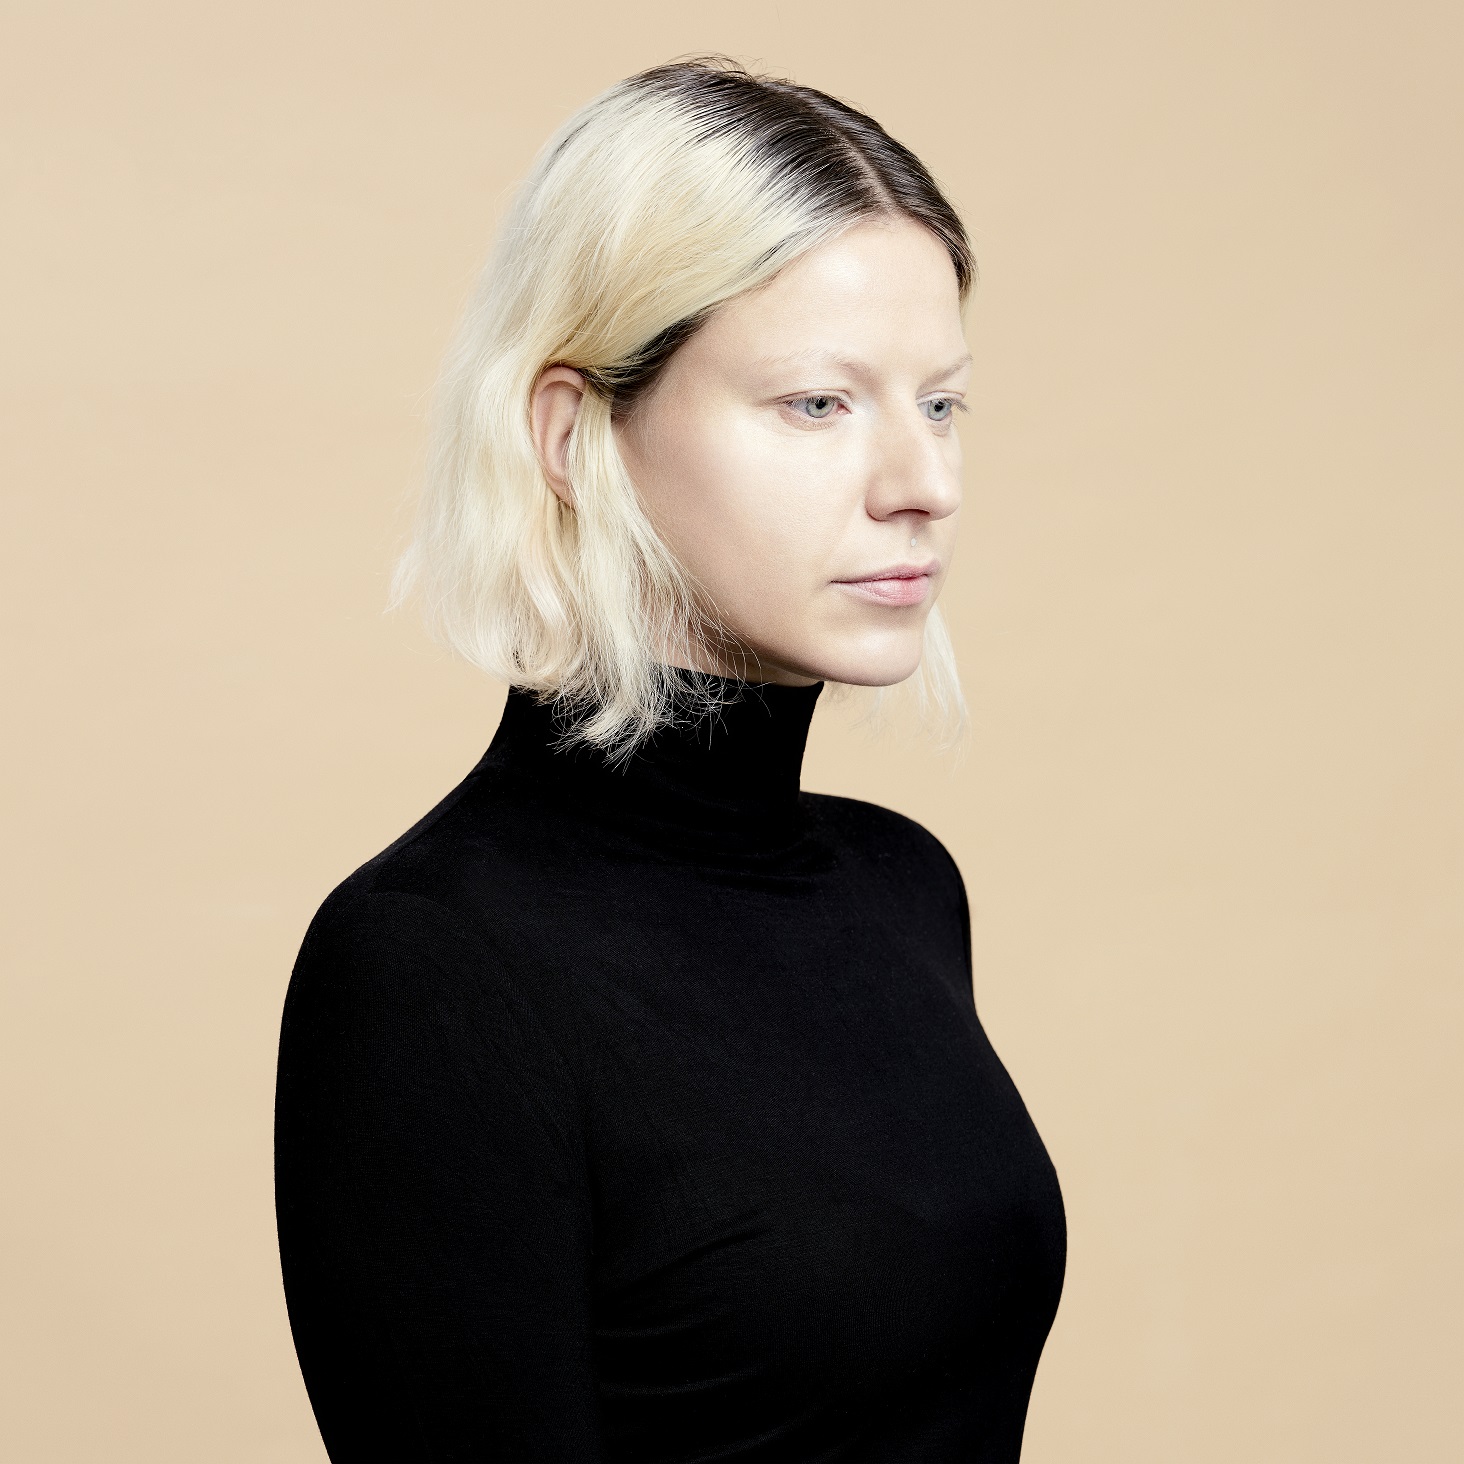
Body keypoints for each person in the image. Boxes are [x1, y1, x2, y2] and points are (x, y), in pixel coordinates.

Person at [274, 56, 1066, 1463]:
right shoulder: (431, 966)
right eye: (818, 403)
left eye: (940, 404)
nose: (922, 484)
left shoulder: (903, 889)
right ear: (574, 432)